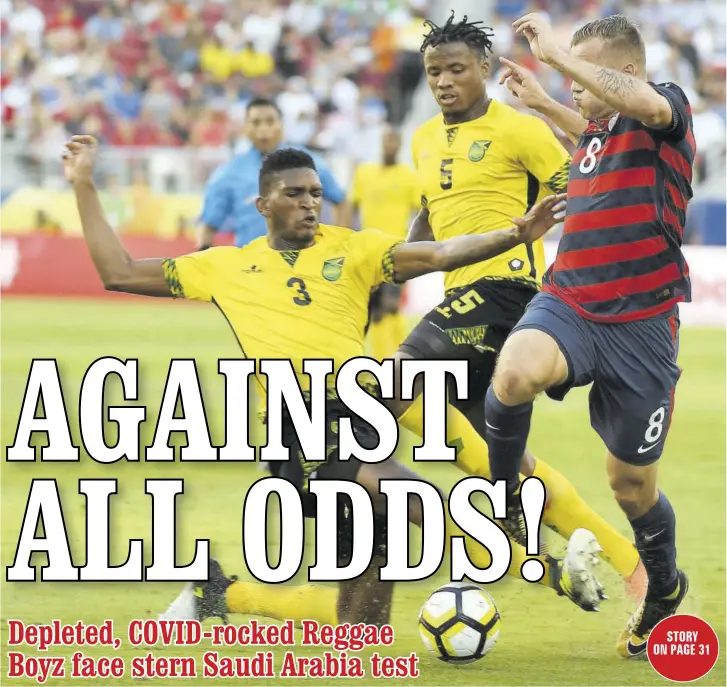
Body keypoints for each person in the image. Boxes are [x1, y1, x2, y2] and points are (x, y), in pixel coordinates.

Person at [62, 135, 602, 628]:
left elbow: (437, 254)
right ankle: (551, 569)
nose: (309, 203)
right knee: (405, 491)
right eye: (294, 194)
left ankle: (215, 593)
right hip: (299, 426)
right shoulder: (225, 265)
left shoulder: (353, 249)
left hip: (360, 421)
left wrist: (515, 233)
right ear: (262, 206)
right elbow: (120, 271)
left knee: (362, 627)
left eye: (316, 193)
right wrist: (84, 185)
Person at [384, 12, 646, 597]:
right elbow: (430, 213)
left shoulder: (520, 129)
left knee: (390, 381)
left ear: (484, 69)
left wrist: (566, 253)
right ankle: (591, 567)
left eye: (456, 69)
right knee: (494, 452)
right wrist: (399, 257)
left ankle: (335, 468)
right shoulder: (424, 138)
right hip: (458, 300)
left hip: (505, 293)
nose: (444, 82)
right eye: (433, 73)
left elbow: (584, 181)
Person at [485, 13, 694, 658]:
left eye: (582, 71)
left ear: (625, 70)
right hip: (570, 300)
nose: (571, 82)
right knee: (514, 372)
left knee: (630, 484)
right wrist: (545, 101)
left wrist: (552, 54)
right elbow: (593, 135)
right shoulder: (604, 132)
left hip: (642, 326)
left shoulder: (668, 111)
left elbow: (640, 105)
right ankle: (506, 504)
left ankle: (663, 589)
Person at [197, 97, 350, 250]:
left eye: (270, 122)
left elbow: (341, 202)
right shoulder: (229, 173)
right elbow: (208, 226)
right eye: (256, 122)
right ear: (246, 127)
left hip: (304, 264)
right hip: (253, 267)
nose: (263, 128)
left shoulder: (307, 164)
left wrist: (338, 248)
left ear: (281, 125)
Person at [347, 126, 421, 361]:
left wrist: (415, 245)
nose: (390, 145)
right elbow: (351, 207)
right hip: (368, 252)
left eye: (394, 141)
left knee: (391, 305)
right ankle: (383, 360)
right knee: (374, 310)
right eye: (387, 140)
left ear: (399, 145)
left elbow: (422, 212)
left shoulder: (408, 176)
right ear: (380, 143)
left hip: (396, 250)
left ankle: (397, 356)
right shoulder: (365, 173)